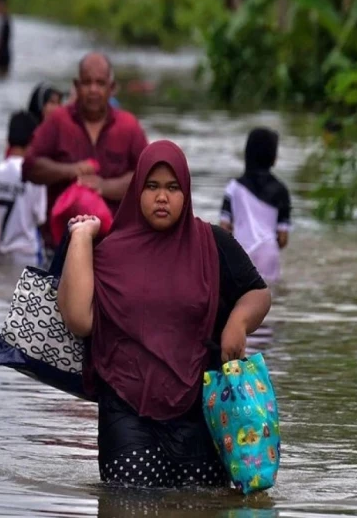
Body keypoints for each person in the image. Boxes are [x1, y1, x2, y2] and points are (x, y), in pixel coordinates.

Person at [58, 140, 272, 488]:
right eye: (152, 186)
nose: (162, 197)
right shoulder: (110, 253)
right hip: (126, 410)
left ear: (186, 193)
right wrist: (82, 236)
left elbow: (258, 293)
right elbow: (79, 318)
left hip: (200, 411)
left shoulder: (212, 243)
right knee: (128, 501)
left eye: (172, 188)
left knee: (201, 507)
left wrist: (239, 321)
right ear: (137, 190)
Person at [22, 52, 148, 248]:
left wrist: (104, 187)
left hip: (115, 247)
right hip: (59, 247)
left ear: (111, 88)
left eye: (100, 83)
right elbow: (29, 167)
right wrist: (70, 171)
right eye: (87, 83)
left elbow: (147, 178)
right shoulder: (58, 121)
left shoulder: (129, 127)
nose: (93, 90)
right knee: (33, 278)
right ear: (76, 85)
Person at [220, 127, 291, 286]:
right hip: (268, 254)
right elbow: (283, 238)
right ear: (274, 158)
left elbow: (224, 228)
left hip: (240, 253)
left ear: (246, 154)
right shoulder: (282, 191)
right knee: (268, 299)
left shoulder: (233, 187)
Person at [0, 111, 47, 264]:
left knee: (0, 289)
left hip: (0, 252)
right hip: (27, 254)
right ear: (33, 140)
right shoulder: (35, 175)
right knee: (35, 289)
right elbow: (40, 217)